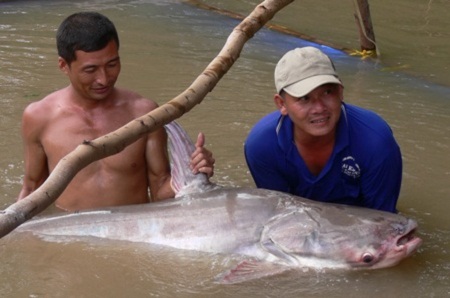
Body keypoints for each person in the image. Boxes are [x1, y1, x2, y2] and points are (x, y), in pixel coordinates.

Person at [17, 12, 215, 211]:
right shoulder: (39, 117)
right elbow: (32, 188)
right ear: (63, 65)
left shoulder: (144, 114)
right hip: (71, 235)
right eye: (90, 70)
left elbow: (159, 191)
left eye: (112, 64)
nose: (104, 79)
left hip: (132, 233)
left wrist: (192, 175)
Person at [244, 47, 402, 213]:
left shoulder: (376, 142)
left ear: (340, 92)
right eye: (304, 98)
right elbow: (279, 216)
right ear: (281, 104)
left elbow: (383, 219)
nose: (319, 108)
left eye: (328, 92)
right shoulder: (262, 146)